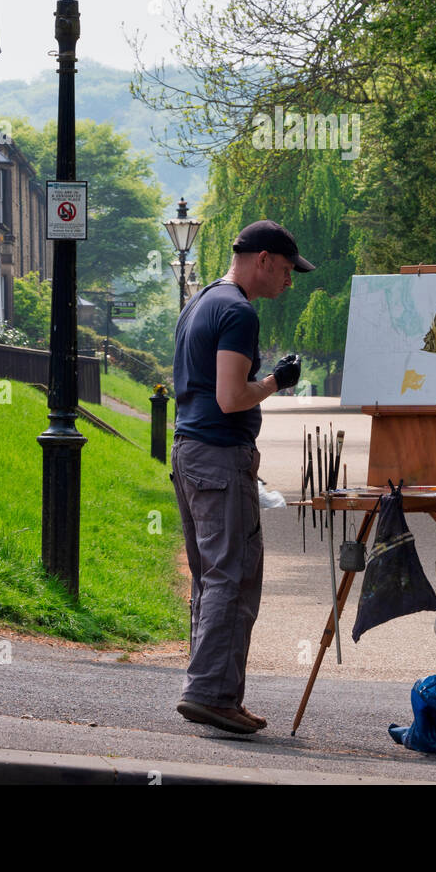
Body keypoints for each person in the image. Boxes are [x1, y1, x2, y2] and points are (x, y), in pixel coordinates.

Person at [170, 219, 315, 735]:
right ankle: (211, 694)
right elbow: (232, 398)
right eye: (287, 271)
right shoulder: (237, 311)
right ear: (264, 260)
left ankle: (208, 688)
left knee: (212, 577)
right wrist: (278, 380)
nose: (289, 282)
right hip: (218, 456)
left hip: (189, 451)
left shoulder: (203, 300)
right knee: (234, 575)